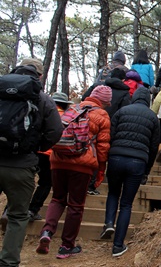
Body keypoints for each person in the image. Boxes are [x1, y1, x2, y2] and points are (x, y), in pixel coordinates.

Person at [0, 59, 63, 267]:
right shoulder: (42, 98)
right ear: (38, 76)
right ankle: (8, 262)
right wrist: (34, 147)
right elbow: (55, 131)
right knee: (18, 216)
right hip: (22, 164)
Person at [36, 85, 112, 259]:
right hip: (82, 165)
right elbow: (102, 146)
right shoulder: (102, 115)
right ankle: (66, 246)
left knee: (57, 198)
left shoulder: (73, 108)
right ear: (105, 101)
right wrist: (100, 169)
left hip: (58, 160)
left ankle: (47, 232)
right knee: (76, 205)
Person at [100, 87, 160, 257]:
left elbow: (110, 135)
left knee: (113, 193)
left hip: (116, 158)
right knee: (126, 203)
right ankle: (117, 246)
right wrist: (147, 170)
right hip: (138, 162)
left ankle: (109, 222)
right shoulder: (152, 118)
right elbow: (154, 146)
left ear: (134, 98)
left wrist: (107, 159)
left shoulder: (121, 111)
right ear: (148, 100)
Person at [82, 68, 131, 195]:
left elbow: (84, 98)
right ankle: (92, 184)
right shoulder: (125, 92)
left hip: (88, 121)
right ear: (123, 79)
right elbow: (124, 111)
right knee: (100, 152)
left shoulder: (98, 86)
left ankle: (84, 181)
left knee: (87, 149)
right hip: (110, 125)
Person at [27, 92, 73, 222]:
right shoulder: (65, 117)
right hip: (50, 154)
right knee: (45, 183)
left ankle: (9, 209)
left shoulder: (40, 112)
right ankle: (32, 210)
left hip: (33, 151)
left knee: (25, 181)